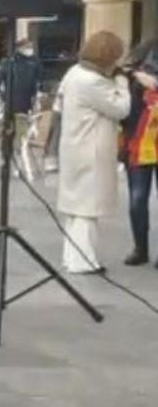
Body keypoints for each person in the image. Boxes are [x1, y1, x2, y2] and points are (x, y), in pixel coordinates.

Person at [58, 31, 138, 274]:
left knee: (75, 207)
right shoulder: (92, 82)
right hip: (90, 150)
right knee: (87, 208)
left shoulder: (74, 73)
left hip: (74, 146)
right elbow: (120, 109)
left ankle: (71, 257)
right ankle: (84, 261)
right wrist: (123, 84)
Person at [122, 41, 158, 266]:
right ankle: (140, 248)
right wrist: (134, 75)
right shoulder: (131, 76)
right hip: (138, 141)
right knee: (137, 198)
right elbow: (115, 71)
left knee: (137, 196)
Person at [0, 32, 44, 116]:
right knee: (16, 121)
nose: (30, 49)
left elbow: (40, 78)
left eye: (30, 47)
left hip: (27, 98)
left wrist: (40, 92)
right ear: (19, 48)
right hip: (13, 99)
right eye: (27, 47)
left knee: (23, 121)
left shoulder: (34, 61)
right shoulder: (9, 62)